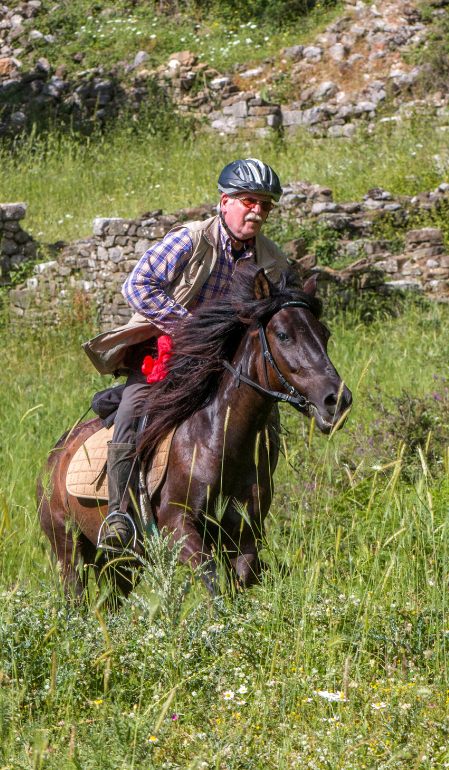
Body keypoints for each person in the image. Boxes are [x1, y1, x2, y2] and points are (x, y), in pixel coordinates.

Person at [81, 158, 289, 551]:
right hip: (169, 354)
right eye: (250, 201)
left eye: (266, 205)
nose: (258, 211)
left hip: (229, 366)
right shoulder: (191, 239)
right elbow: (138, 284)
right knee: (131, 410)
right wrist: (189, 328)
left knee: (268, 419)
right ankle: (119, 514)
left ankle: (248, 520)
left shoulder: (272, 260)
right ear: (225, 201)